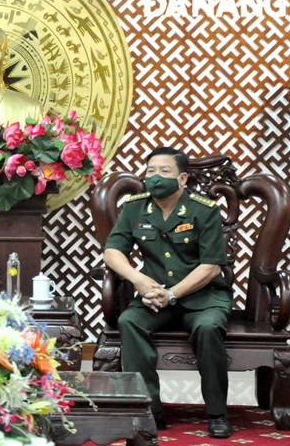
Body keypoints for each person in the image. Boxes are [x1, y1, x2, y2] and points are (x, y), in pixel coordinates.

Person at [103, 147, 233, 439]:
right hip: (153, 298)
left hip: (203, 298)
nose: (155, 177)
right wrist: (138, 280)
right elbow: (112, 252)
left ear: (183, 178)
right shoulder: (134, 207)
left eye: (164, 172)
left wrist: (172, 294)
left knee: (209, 328)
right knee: (129, 321)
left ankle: (217, 413)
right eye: (150, 171)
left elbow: (212, 267)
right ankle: (150, 410)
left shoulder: (204, 210)